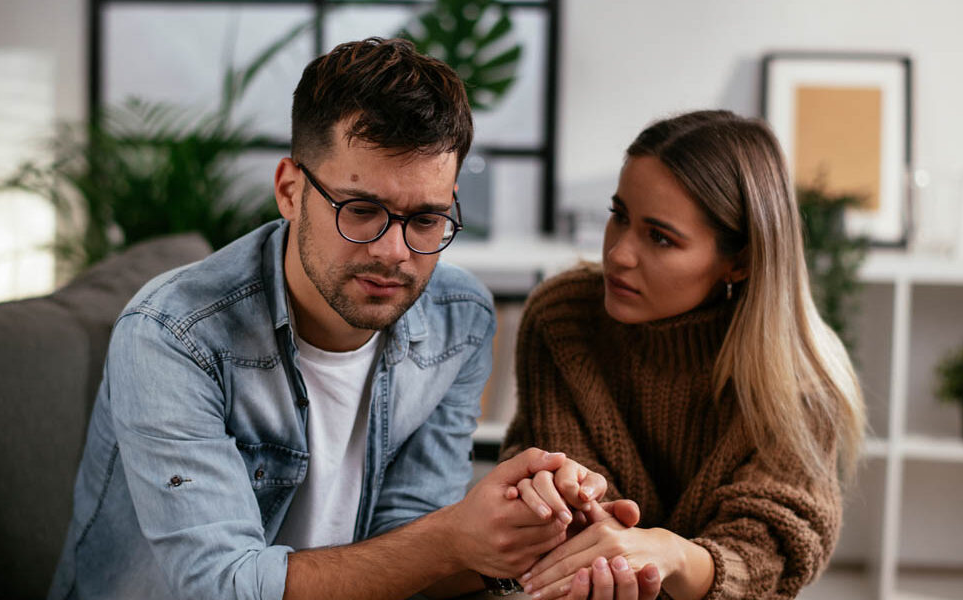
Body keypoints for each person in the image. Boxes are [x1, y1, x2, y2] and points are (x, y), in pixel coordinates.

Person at [49, 37, 626, 600]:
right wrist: (454, 540)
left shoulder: (457, 322)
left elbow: (405, 545)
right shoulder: (172, 336)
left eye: (426, 219)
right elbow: (220, 585)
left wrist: (534, 543)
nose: (394, 252)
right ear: (290, 191)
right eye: (362, 210)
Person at [500, 110, 868, 600]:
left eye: (659, 237)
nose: (619, 254)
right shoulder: (562, 319)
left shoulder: (799, 377)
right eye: (619, 215)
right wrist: (555, 492)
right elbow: (561, 493)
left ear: (739, 262)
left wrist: (669, 554)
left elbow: (766, 552)